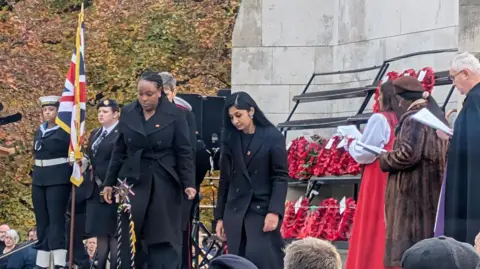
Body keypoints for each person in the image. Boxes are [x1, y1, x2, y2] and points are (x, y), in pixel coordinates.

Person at [102, 71, 196, 268]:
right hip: (135, 179)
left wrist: (189, 183)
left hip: (164, 179)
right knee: (133, 235)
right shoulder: (128, 112)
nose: (144, 99)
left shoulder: (176, 114)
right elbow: (119, 150)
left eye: (149, 94)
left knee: (162, 235)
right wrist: (109, 183)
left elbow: (184, 151)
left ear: (160, 92)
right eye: (140, 94)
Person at [379, 76, 448, 269]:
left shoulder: (414, 119)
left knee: (410, 252)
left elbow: (407, 155)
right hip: (430, 191)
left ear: (401, 99)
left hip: (412, 196)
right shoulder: (434, 114)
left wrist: (384, 158)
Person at [214, 91, 288, 269]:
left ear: (251, 111)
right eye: (231, 117)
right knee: (237, 262)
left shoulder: (272, 136)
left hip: (261, 209)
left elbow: (280, 176)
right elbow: (224, 179)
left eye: (238, 115)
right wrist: (220, 218)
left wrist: (274, 211)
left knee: (263, 260)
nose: (235, 121)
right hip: (234, 211)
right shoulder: (230, 138)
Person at [345, 81, 399, 269]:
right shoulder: (402, 119)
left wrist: (350, 142)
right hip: (395, 174)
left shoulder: (380, 119)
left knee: (373, 222)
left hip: (377, 175)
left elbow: (365, 153)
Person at [158, 71, 199, 269]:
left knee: (178, 235)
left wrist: (187, 183)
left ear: (173, 92)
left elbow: (189, 152)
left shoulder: (184, 115)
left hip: (176, 184)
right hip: (153, 184)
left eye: (165, 93)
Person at [441, 52, 480, 245]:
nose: (454, 83)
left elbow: (473, 142)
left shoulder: (475, 100)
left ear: (465, 73)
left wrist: (452, 136)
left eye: (453, 76)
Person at [32, 96, 72, 269]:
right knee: (42, 219)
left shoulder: (65, 131)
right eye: (45, 110)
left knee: (56, 219)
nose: (47, 113)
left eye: (51, 110)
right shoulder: (39, 130)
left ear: (58, 111)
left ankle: (58, 260)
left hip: (57, 178)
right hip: (39, 178)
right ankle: (42, 260)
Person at [83, 99, 120, 269]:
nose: (101, 115)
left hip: (112, 188)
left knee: (112, 233)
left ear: (115, 113)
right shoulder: (96, 133)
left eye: (105, 112)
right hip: (94, 188)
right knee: (100, 233)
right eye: (99, 112)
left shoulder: (121, 133)